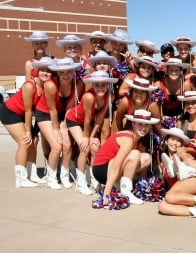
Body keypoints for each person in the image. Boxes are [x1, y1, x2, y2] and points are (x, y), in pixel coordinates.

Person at [0, 57, 53, 187]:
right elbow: (29, 111)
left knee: (34, 141)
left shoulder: (46, 86)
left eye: (48, 70)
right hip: (10, 112)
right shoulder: (30, 85)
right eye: (42, 70)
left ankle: (32, 174)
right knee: (24, 142)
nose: (45, 73)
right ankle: (21, 178)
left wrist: (34, 131)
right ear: (37, 71)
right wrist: (29, 131)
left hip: (22, 115)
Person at [35, 57, 84, 190]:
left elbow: (69, 107)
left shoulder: (78, 84)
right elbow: (52, 109)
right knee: (57, 146)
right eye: (62, 72)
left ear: (73, 71)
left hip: (63, 114)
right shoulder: (50, 85)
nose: (66, 75)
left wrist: (64, 125)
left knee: (67, 145)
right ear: (57, 72)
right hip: (45, 113)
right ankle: (51, 178)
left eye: (69, 71)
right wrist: (56, 129)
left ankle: (64, 175)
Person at [65, 71, 117, 195]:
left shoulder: (110, 96)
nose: (100, 88)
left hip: (89, 124)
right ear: (92, 85)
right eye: (97, 85)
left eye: (103, 85)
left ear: (107, 85)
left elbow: (99, 118)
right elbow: (87, 119)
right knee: (85, 148)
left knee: (95, 146)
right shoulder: (89, 97)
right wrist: (86, 137)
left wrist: (92, 136)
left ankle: (95, 179)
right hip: (74, 120)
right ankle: (81, 182)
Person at [92, 109, 159, 205]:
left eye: (146, 125)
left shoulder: (137, 139)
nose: (144, 128)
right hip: (101, 170)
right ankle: (125, 191)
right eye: (140, 124)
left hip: (110, 167)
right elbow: (116, 164)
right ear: (133, 124)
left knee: (146, 158)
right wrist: (106, 193)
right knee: (135, 154)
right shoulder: (128, 139)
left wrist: (144, 186)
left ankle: (118, 185)